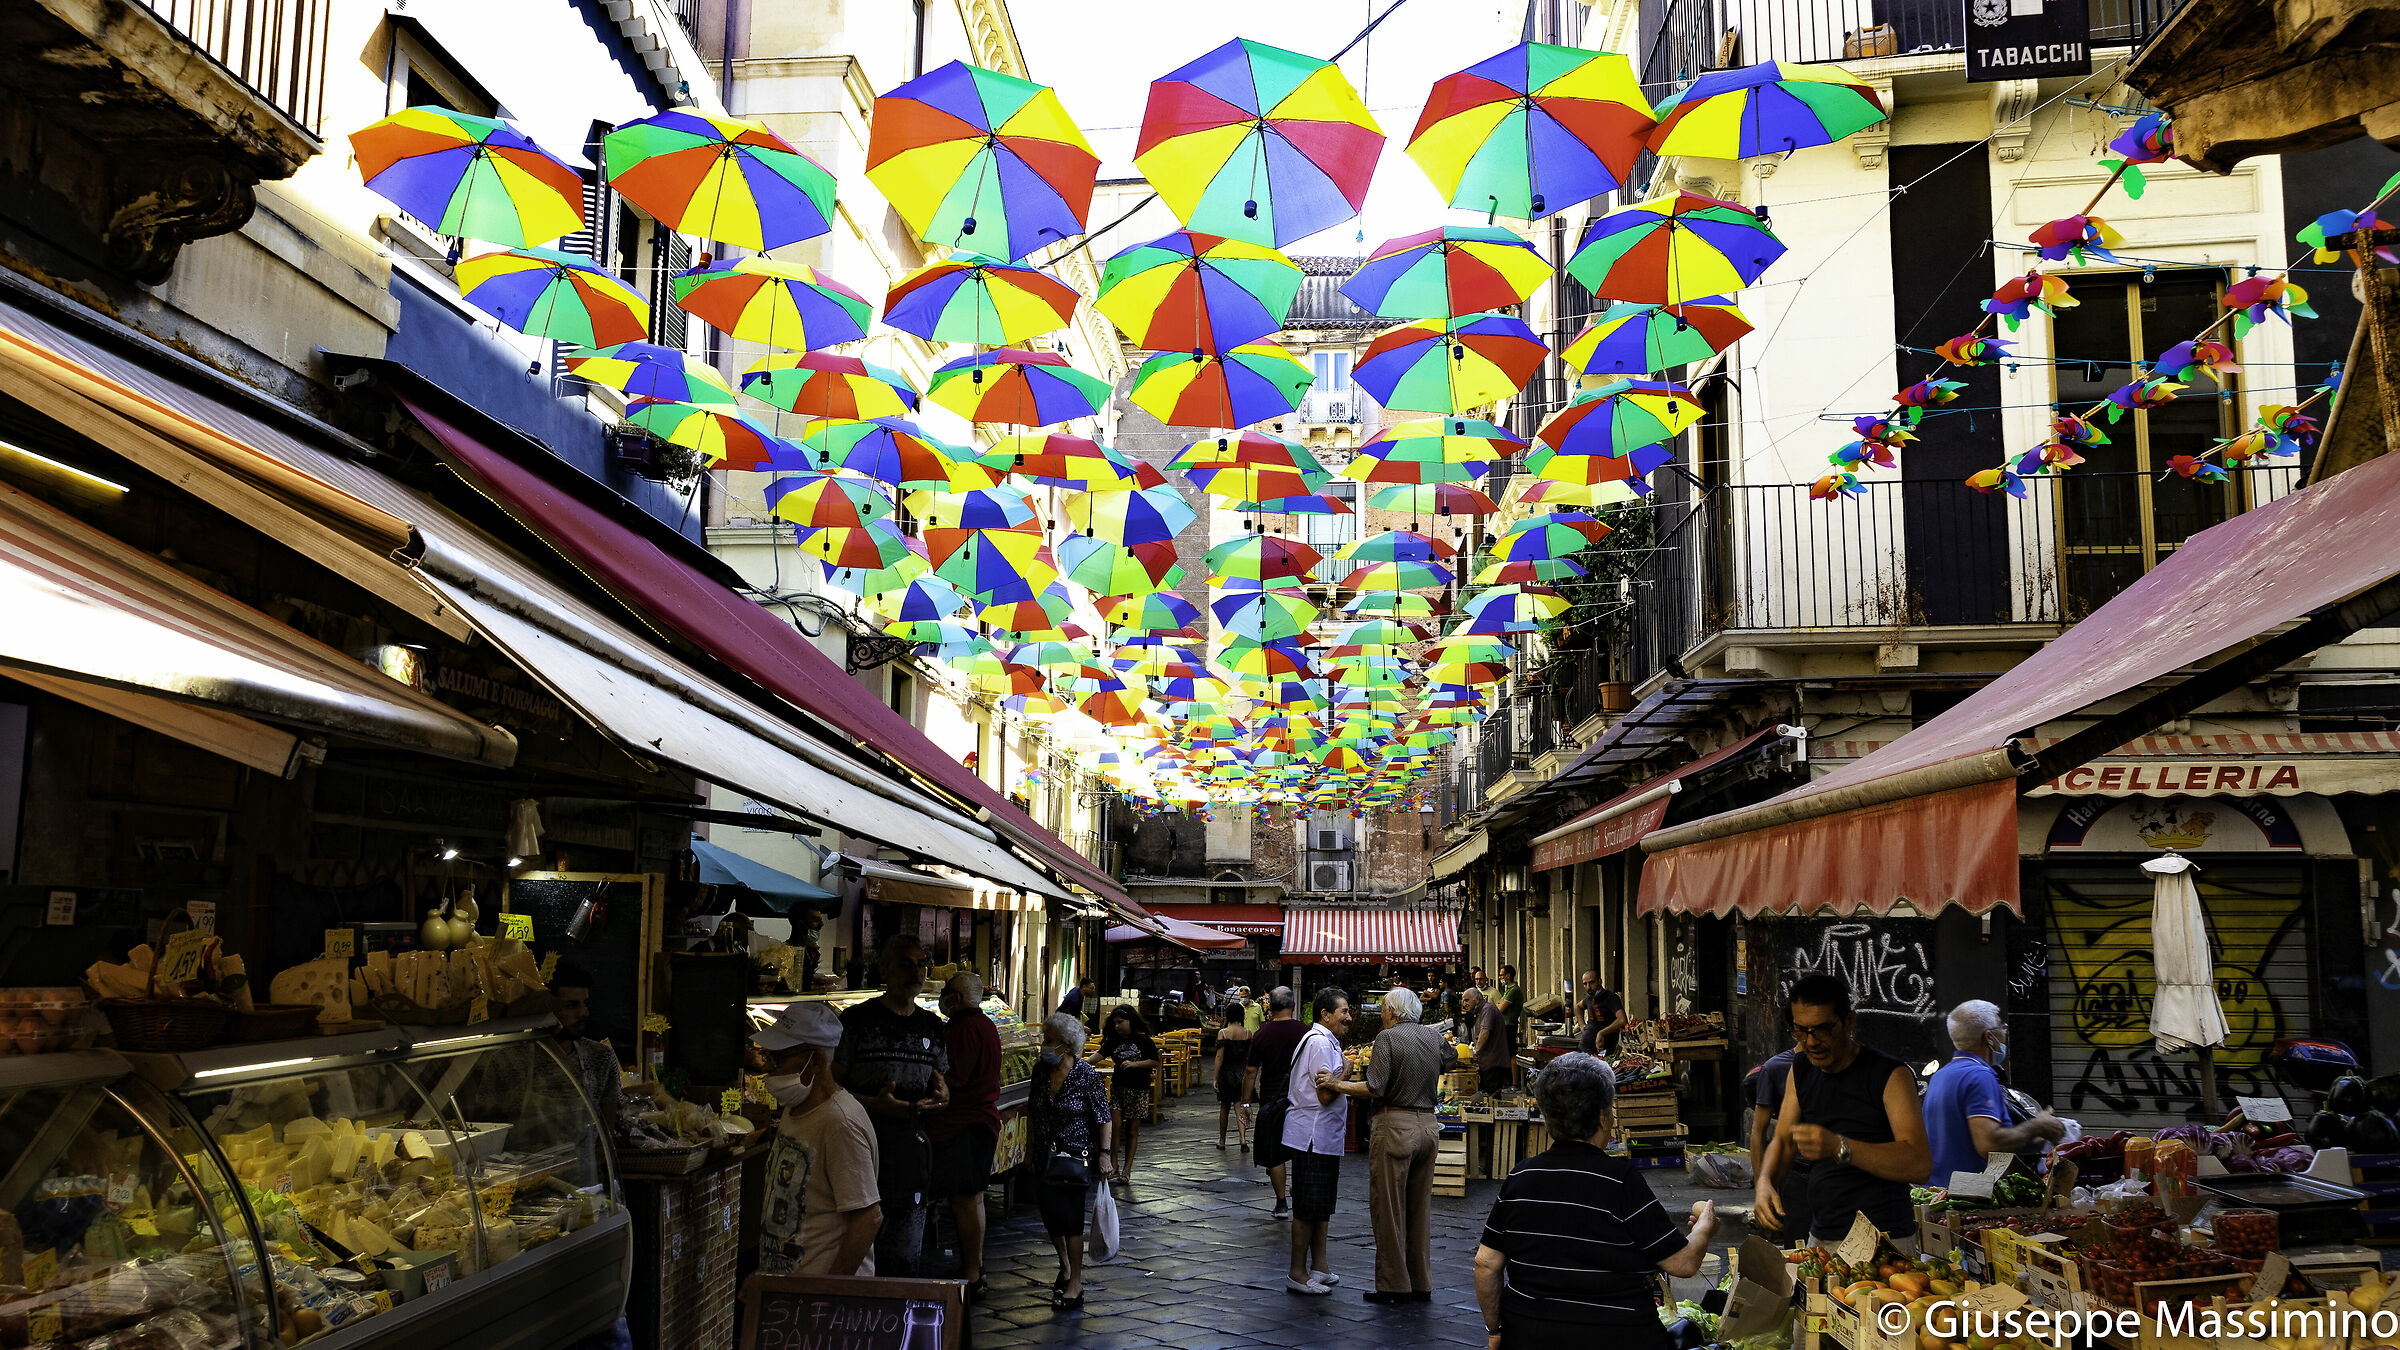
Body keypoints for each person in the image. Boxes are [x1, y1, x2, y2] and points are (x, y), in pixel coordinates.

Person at [1475, 1053, 1719, 1350]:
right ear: (1604, 1117)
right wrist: (1704, 1229)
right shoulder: (1620, 1180)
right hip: (1619, 1336)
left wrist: (1495, 1329)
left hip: (1529, 1334)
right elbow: (1682, 1262)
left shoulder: (1521, 1177)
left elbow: (1486, 1265)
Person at [1756, 973, 1931, 1246]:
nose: (1811, 1041)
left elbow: (1919, 1164)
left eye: (1823, 1029)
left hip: (1885, 1240)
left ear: (1849, 1021)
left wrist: (1839, 1147)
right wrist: (1765, 1182)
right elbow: (1783, 1139)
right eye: (1801, 1030)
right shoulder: (1801, 1068)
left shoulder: (1890, 1075)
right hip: (1822, 1233)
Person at [833, 935, 951, 1276]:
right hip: (859, 1153)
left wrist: (942, 1100)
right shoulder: (856, 1021)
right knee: (860, 1247)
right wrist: (873, 1104)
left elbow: (944, 1088)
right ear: (884, 969)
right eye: (905, 964)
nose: (915, 971)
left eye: (921, 964)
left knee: (905, 1253)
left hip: (911, 1154)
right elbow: (831, 1085)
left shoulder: (932, 1026)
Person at [1321, 986, 1444, 1302]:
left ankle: (1393, 1285)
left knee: (1388, 1208)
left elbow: (1375, 1086)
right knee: (1419, 1208)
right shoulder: (1433, 1037)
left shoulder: (1387, 1038)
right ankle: (1421, 1283)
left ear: (1393, 1012)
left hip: (1395, 1126)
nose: (1382, 1014)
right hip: (1429, 1127)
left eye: (1385, 1009)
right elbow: (1451, 1060)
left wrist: (1338, 1083)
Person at [751, 1003, 881, 1276]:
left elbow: (868, 1219)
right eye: (768, 1057)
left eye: (780, 1059)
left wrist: (828, 1290)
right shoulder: (795, 1107)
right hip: (789, 1291)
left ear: (818, 1061)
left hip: (820, 1302)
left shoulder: (840, 1123)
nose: (770, 1069)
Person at [1925, 1000, 2064, 1188]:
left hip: (1941, 1193)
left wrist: (2034, 1137)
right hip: (1970, 1197)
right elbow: (1989, 1145)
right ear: (1989, 1038)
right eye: (2002, 1026)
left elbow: (1960, 1138)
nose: (2005, 1032)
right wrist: (2037, 1126)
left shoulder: (1941, 1075)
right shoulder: (1979, 1076)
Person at [1028, 1012, 1113, 1313]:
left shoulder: (1086, 1075)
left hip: (1074, 1158)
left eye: (1049, 1040)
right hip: (1043, 1158)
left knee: (1072, 1221)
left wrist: (1105, 1154)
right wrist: (1029, 1150)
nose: (1044, 1046)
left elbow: (1103, 1117)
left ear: (1066, 1045)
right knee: (1050, 1217)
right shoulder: (1040, 1072)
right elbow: (1033, 1113)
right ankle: (1064, 1265)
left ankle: (1076, 1282)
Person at [929, 972, 1001, 1300]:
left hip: (964, 1124)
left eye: (946, 993)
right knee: (972, 1198)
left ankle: (972, 1273)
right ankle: (975, 1268)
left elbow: (955, 1078)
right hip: (978, 1121)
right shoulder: (984, 1025)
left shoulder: (965, 1028)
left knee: (965, 1200)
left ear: (955, 998)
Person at [1283, 986, 1352, 1296]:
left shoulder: (1325, 1042)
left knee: (1321, 1206)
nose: (1348, 1017)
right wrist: (1348, 1069)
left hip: (1322, 1138)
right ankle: (1297, 1272)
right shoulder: (1321, 1044)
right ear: (1326, 1014)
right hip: (1312, 1136)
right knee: (1307, 1207)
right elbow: (1326, 1094)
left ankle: (1320, 1266)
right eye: (1344, 1012)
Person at [1746, 1047, 1813, 1243]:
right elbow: (1761, 1133)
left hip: (1835, 1175)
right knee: (1799, 1252)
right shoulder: (1776, 1068)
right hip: (1797, 1175)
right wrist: (1763, 1186)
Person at [1096, 1004, 1160, 1190]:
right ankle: (1113, 1165)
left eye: (1120, 1022)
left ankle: (1127, 1169)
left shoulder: (1144, 1040)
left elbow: (1155, 1062)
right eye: (1114, 1023)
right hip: (1118, 1088)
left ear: (1130, 1021)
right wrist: (1078, 1063)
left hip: (1139, 1090)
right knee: (1115, 1127)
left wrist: (1135, 1064)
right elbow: (1099, 1055)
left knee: (1132, 1130)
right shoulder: (1113, 1040)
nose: (1116, 1026)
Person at [1212, 1003, 1253, 1151]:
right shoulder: (1248, 1033)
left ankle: (1222, 1141)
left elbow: (1219, 1057)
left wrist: (1215, 1078)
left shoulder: (1223, 1033)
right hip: (1241, 1073)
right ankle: (1243, 1139)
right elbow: (1249, 1058)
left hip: (1226, 1073)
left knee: (1224, 1107)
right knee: (1240, 1106)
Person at [1465, 986, 1509, 1095]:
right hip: (1487, 1062)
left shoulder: (1487, 1009)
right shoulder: (1480, 1011)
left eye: (1467, 1000)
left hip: (1493, 1063)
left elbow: (1485, 1031)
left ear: (1477, 1000)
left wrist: (1475, 1052)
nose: (1464, 1003)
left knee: (1492, 1096)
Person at [1577, 970, 1628, 1057]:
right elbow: (1578, 1007)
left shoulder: (1611, 998)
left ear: (1599, 981)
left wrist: (1602, 1033)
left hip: (1602, 1049)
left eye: (1591, 982)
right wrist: (1581, 1025)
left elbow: (1622, 1020)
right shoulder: (1589, 998)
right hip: (1584, 1047)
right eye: (1585, 984)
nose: (1588, 987)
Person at [1494, 966, 1525, 1054]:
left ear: (1508, 976)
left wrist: (1499, 1005)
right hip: (1505, 1025)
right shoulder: (1508, 990)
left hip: (1509, 1026)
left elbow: (1499, 1009)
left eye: (1501, 975)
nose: (1500, 977)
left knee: (1510, 1053)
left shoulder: (1514, 990)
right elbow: (1497, 1004)